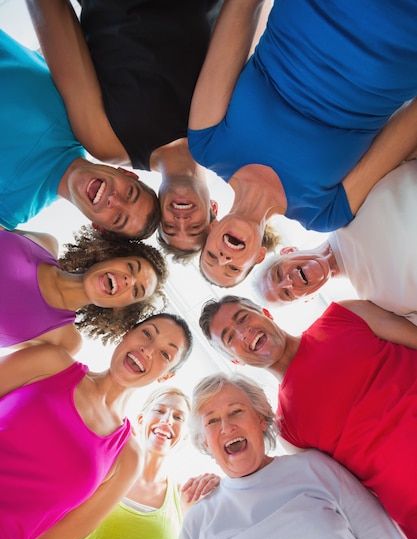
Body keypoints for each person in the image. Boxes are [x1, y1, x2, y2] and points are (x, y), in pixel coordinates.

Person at [189, 0, 417, 286]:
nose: (225, 258)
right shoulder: (323, 214)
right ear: (259, 257)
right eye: (234, 269)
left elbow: (240, 9)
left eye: (212, 256)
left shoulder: (206, 145)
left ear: (212, 228)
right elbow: (405, 131)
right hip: (403, 46)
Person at [175, 373, 417, 539]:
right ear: (204, 440)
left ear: (261, 418)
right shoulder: (197, 522)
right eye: (212, 420)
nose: (226, 427)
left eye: (236, 411)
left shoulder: (315, 468)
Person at [199, 294, 417, 539]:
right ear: (234, 359)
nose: (243, 332)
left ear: (266, 313)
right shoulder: (288, 429)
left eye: (244, 317)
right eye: (229, 337)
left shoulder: (344, 315)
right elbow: (351, 495)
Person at [0, 312, 193, 539]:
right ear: (127, 333)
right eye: (147, 334)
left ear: (166, 376)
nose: (147, 350)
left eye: (165, 355)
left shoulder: (128, 458)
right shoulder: (50, 362)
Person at [24, 0, 222, 258]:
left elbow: (54, 19)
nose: (181, 219)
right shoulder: (223, 128)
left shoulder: (107, 143)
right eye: (195, 227)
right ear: (213, 209)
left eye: (170, 227)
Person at [20, 387, 220, 539]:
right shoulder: (100, 475)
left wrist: (220, 489)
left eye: (178, 417)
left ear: (185, 436)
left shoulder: (186, 501)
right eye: (160, 410)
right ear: (140, 419)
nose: (167, 420)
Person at [0, 28, 159, 240]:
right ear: (127, 173)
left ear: (98, 227)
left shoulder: (11, 212)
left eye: (118, 218)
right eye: (130, 193)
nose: (114, 199)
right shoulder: (81, 112)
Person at [256, 159, 417, 325]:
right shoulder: (381, 303)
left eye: (277, 274)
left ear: (288, 251)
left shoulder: (341, 205)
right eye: (286, 294)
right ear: (308, 299)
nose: (288, 282)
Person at [0, 226, 168, 355]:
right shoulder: (44, 242)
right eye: (131, 267)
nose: (128, 280)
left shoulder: (66, 341)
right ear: (111, 255)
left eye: (137, 290)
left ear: (122, 308)